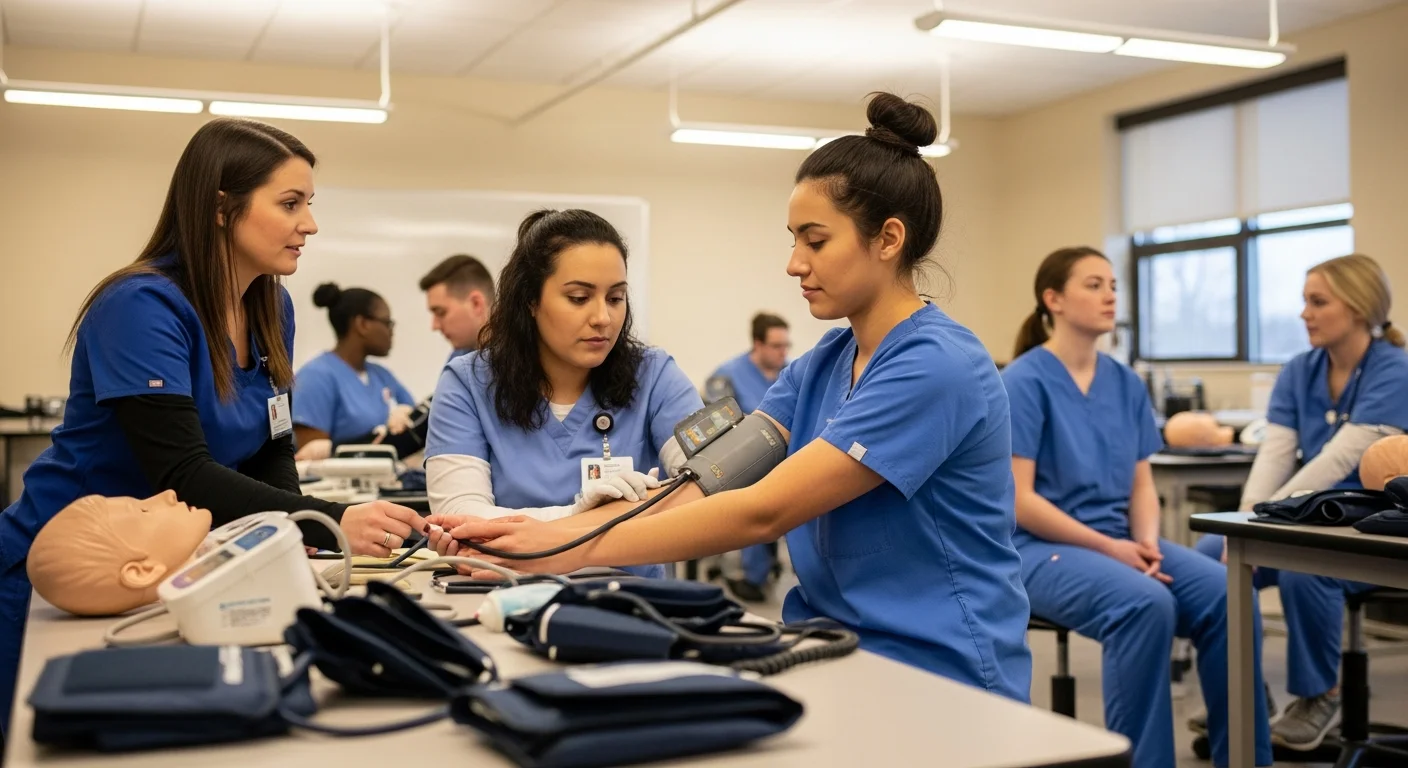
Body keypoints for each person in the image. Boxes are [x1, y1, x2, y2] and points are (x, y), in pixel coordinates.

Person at [424, 93, 1033, 702]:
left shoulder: (936, 366)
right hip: (832, 645)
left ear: (889, 238)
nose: (794, 263)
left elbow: (760, 511)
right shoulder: (821, 363)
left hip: (938, 663)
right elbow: (703, 483)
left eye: (815, 241)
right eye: (794, 239)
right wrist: (558, 538)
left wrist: (560, 547)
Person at [0, 118, 424, 731]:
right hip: (67, 565)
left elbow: (272, 446)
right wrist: (331, 522)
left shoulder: (271, 305)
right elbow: (181, 471)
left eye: (309, 204)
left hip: (166, 565)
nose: (310, 224)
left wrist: (299, 536)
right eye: (290, 204)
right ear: (222, 208)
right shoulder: (141, 306)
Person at [1000, 246, 1273, 768]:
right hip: (1037, 549)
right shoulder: (1024, 381)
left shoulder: (1124, 382)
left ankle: (1244, 759)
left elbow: (1141, 482)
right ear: (1052, 299)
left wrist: (1145, 541)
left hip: (1121, 541)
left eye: (1113, 286)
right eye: (1094, 285)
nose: (1110, 297)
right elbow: (1021, 500)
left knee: (1227, 593)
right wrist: (1114, 548)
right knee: (1146, 605)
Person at [1194, 253, 1408, 751]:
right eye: (1304, 301)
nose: (1305, 313)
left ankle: (1321, 693)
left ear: (1357, 308)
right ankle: (1243, 695)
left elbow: (1339, 460)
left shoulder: (1395, 370)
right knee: (1208, 560)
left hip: (1371, 529)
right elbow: (1274, 455)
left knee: (1302, 566)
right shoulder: (1298, 371)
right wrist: (1239, 527)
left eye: (1318, 302)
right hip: (1307, 514)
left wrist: (1262, 524)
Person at [422, 209, 704, 579]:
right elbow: (463, 517)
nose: (603, 317)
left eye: (616, 298)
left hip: (634, 603)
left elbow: (710, 484)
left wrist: (551, 532)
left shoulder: (653, 374)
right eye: (578, 297)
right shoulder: (468, 382)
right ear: (531, 301)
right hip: (501, 600)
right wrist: (580, 515)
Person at [708, 312, 791, 601]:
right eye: (776, 346)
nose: (783, 352)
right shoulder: (726, 376)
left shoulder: (792, 375)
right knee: (761, 489)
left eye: (786, 346)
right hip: (744, 461)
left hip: (789, 460)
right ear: (757, 344)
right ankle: (752, 576)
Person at [291, 283, 415, 458]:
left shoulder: (382, 376)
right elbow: (312, 457)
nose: (391, 332)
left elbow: (415, 419)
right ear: (362, 324)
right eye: (387, 323)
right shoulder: (315, 377)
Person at [420, 254, 495, 360]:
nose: (435, 326)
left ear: (476, 303)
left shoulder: (521, 356)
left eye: (441, 312)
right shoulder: (458, 357)